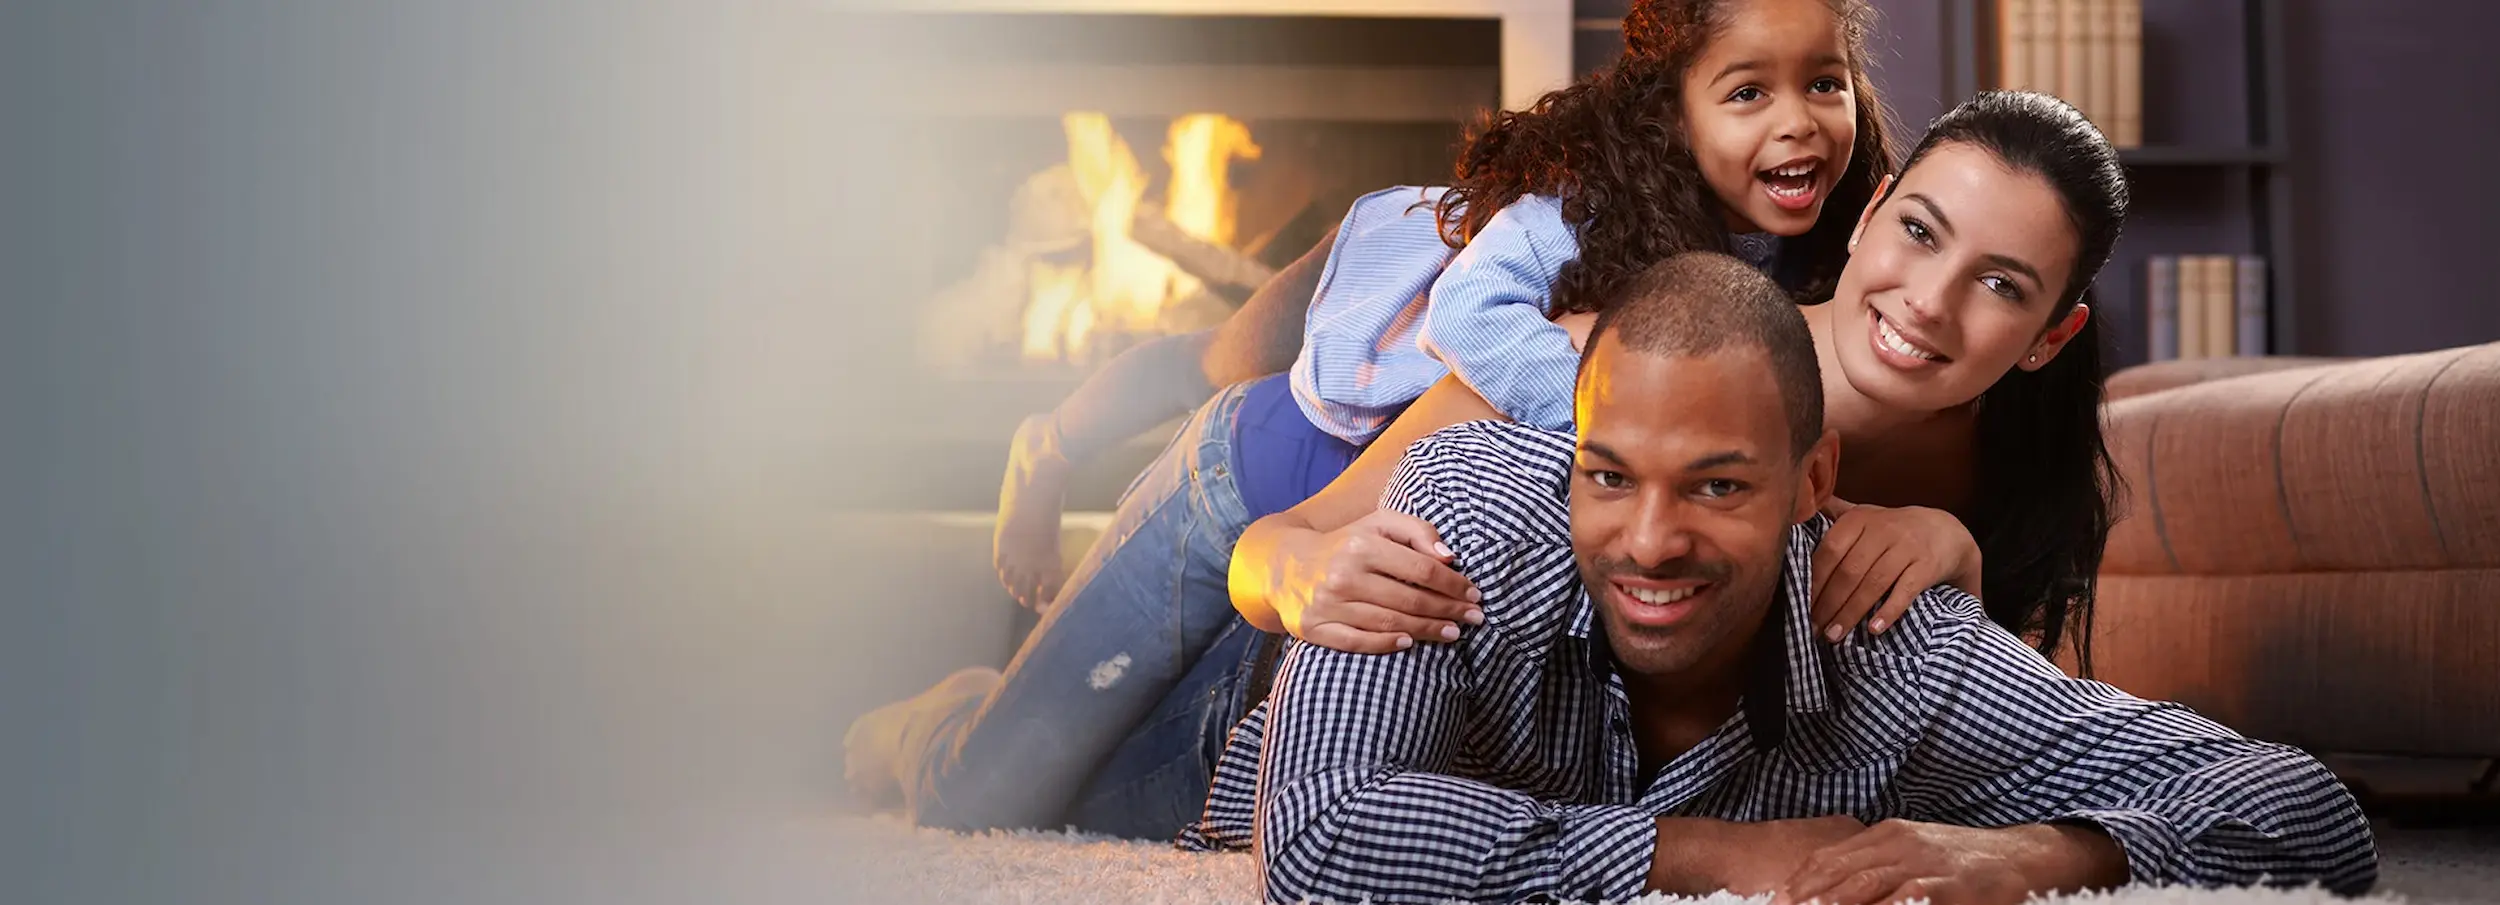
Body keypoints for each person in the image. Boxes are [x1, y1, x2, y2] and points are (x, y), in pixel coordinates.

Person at [847, 0, 1899, 839]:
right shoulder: (1591, 218)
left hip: (1350, 531)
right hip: (1250, 483)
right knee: (975, 798)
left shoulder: (1803, 253)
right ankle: (937, 707)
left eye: (1824, 83)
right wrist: (1611, 428)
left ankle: (1023, 695)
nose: (1798, 118)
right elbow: (1468, 323)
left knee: (1124, 777)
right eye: (1748, 92)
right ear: (1674, 115)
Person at [1203, 251, 2376, 904]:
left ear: (1816, 480)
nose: (1649, 539)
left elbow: (2304, 808)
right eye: (1608, 477)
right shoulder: (1462, 525)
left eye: (1716, 486)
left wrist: (2030, 854)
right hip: (1194, 724)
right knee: (1018, 752)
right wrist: (1712, 855)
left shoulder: (1893, 636)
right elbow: (1316, 841)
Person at [1229, 87, 2121, 671]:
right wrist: (1300, 569)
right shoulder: (1662, 348)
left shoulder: (1996, 475)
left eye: (2002, 285)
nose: (1930, 301)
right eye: (1920, 232)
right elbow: (1274, 544)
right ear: (1871, 213)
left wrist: (1956, 563)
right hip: (1259, 611)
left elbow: (1976, 741)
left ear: (2050, 337)